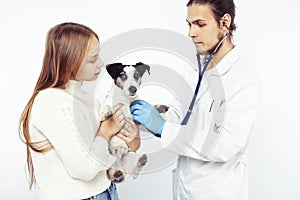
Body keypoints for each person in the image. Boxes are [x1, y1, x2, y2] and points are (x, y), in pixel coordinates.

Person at [130, 0, 260, 199]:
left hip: (217, 192)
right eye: (189, 24)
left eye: (200, 24)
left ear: (224, 22)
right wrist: (149, 118)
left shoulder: (242, 80)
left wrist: (164, 129)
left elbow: (226, 144)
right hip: (185, 190)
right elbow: (181, 117)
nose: (191, 33)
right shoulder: (195, 70)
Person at [19, 22, 140, 200]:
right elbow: (85, 169)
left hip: (106, 191)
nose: (101, 64)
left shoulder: (86, 100)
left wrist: (132, 143)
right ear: (70, 62)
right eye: (93, 59)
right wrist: (107, 130)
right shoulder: (50, 101)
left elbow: (106, 156)